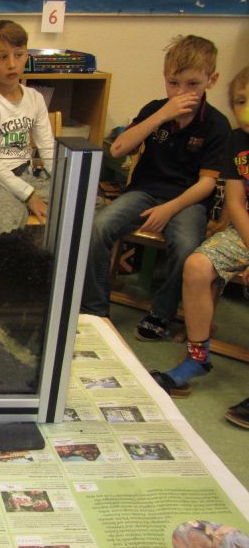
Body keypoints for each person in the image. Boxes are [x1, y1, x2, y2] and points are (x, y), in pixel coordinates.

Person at [80, 35, 230, 342]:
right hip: (144, 192)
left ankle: (161, 314)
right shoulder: (155, 110)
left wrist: (169, 209)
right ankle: (95, 309)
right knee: (98, 227)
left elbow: (207, 184)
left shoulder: (217, 125)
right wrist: (162, 115)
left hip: (187, 200)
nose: (181, 92)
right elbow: (118, 148)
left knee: (187, 246)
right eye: (173, 83)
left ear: (211, 80)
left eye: (192, 84)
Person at [150, 67, 249, 416]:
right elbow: (235, 202)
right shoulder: (237, 141)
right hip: (243, 232)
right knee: (196, 265)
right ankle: (197, 358)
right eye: (241, 101)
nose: (246, 109)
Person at [0, 20, 55, 235]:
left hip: (29, 176)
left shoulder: (35, 98)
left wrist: (63, 182)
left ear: (27, 56)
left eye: (18, 55)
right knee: (6, 231)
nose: (11, 64)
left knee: (87, 204)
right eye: (2, 57)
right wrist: (29, 196)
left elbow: (48, 149)